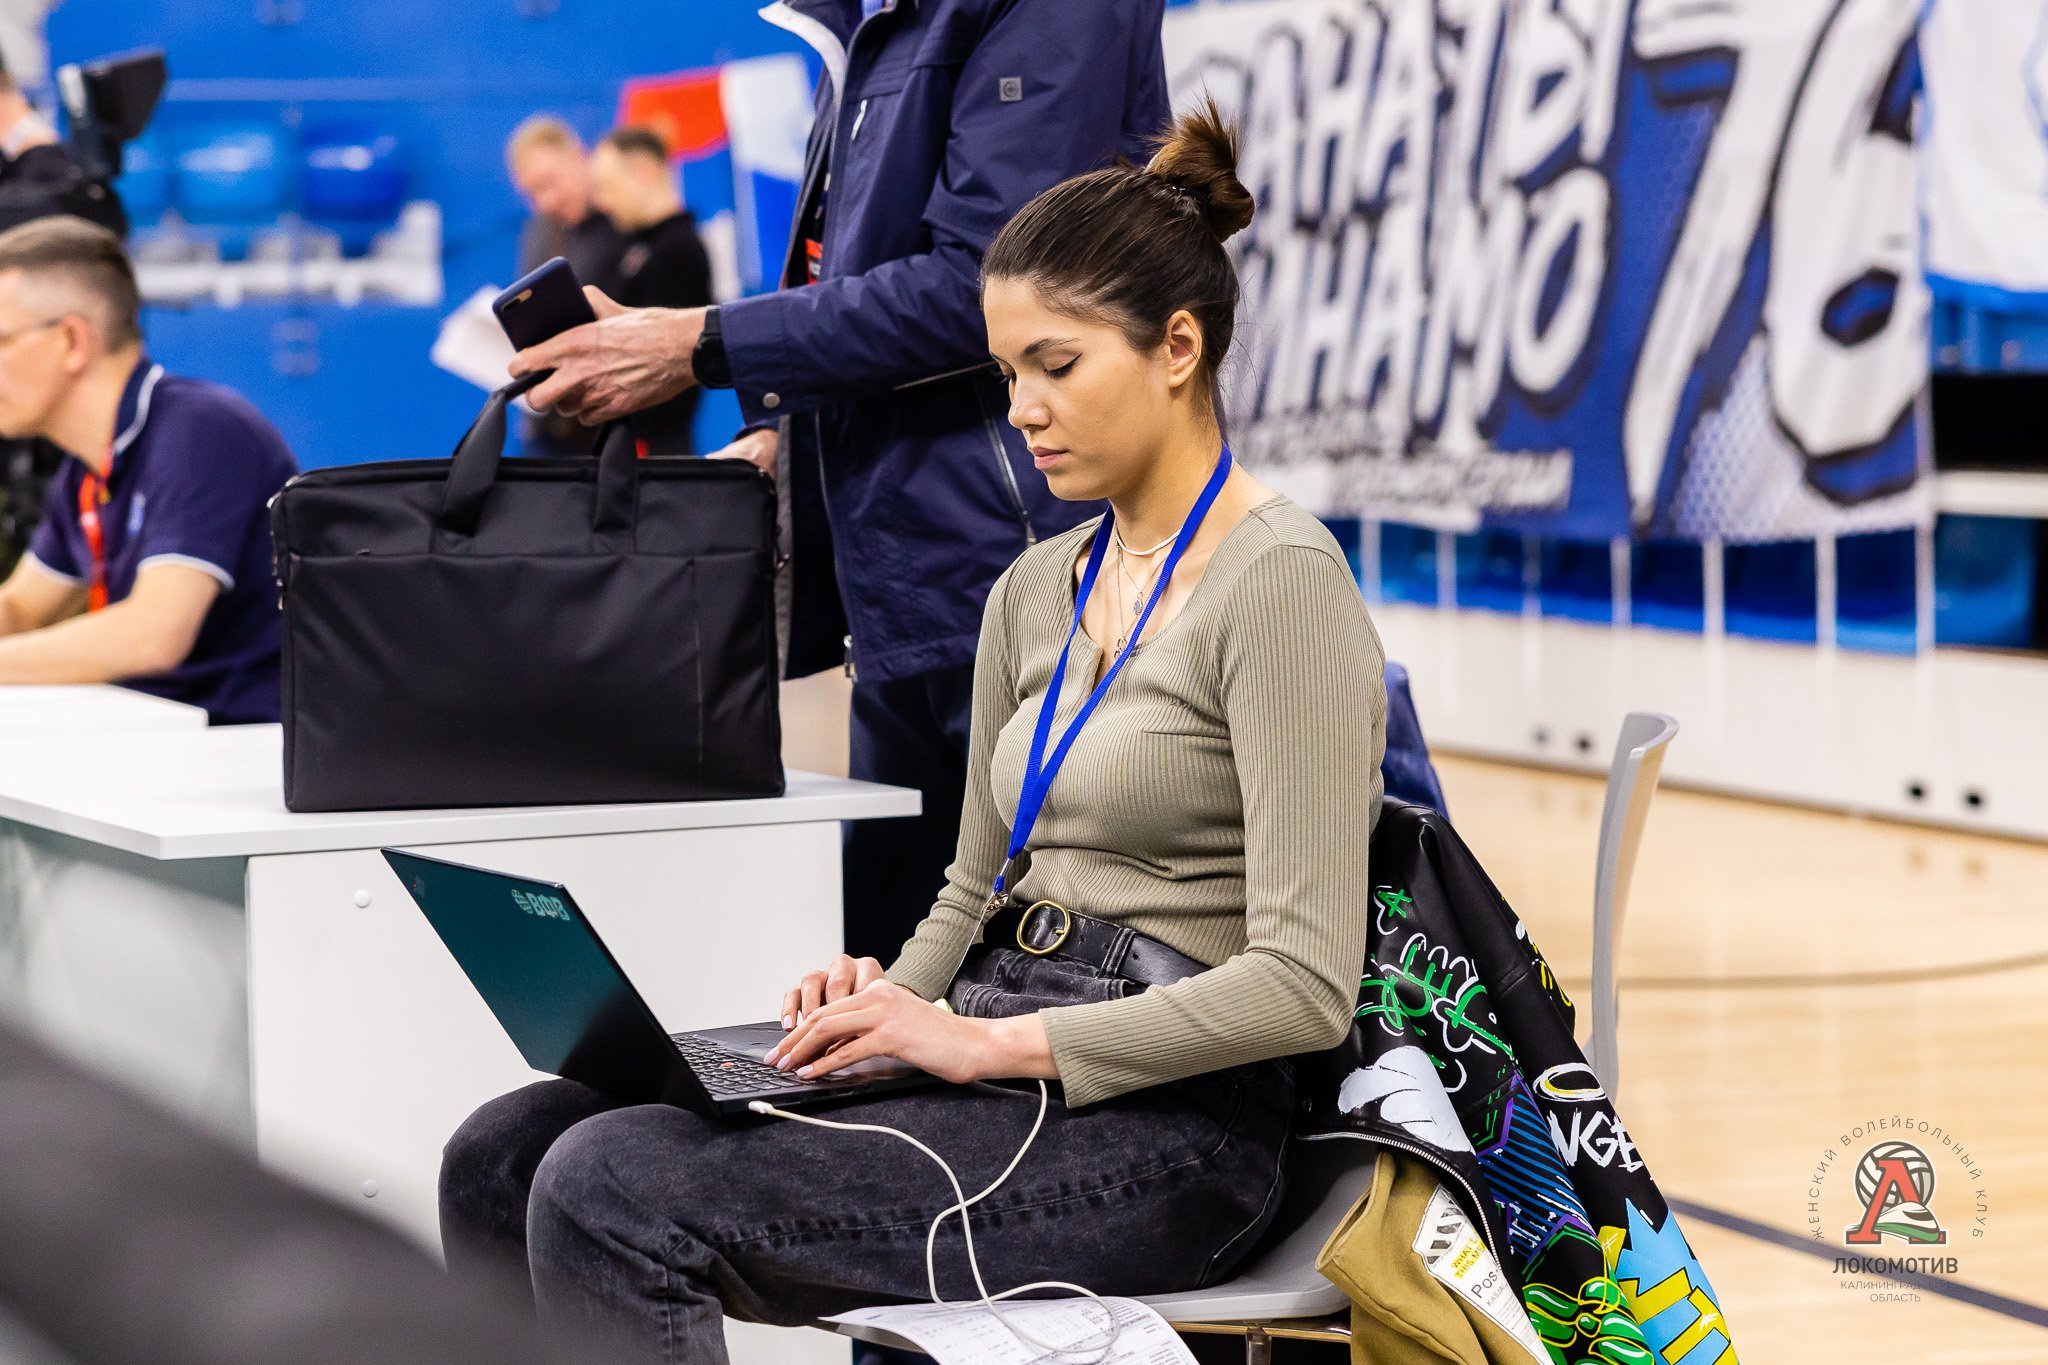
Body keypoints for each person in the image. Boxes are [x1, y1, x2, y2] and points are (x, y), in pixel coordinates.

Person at [440, 105, 1388, 1365]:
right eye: (1007, 375)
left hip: (1172, 1130)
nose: (1024, 411)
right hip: (997, 1048)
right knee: (504, 1150)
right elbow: (969, 885)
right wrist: (888, 1000)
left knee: (607, 1188)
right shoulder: (1036, 586)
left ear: (1177, 347)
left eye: (1056, 366)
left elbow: (1304, 989)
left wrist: (977, 1042)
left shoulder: (1280, 582)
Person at [510, 0, 1170, 964]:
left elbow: (996, 281)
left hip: (1031, 571)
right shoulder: (866, 26)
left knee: (1049, 977)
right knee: (895, 971)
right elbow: (847, 270)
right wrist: (782, 436)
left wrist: (701, 344)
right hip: (902, 582)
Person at [0, 217, 296, 724]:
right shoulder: (87, 468)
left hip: (248, 743)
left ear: (72, 340)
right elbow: (22, 610)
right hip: (162, 735)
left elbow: (154, 634)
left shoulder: (201, 431)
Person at [586, 125, 713, 455]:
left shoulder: (678, 249)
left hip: (654, 447)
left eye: (608, 186)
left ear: (643, 172)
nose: (602, 202)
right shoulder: (632, 247)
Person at [504, 115, 624, 456]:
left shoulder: (626, 222)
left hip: (614, 426)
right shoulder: (541, 231)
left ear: (579, 156)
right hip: (549, 427)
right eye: (532, 193)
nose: (545, 202)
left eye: (549, 182)